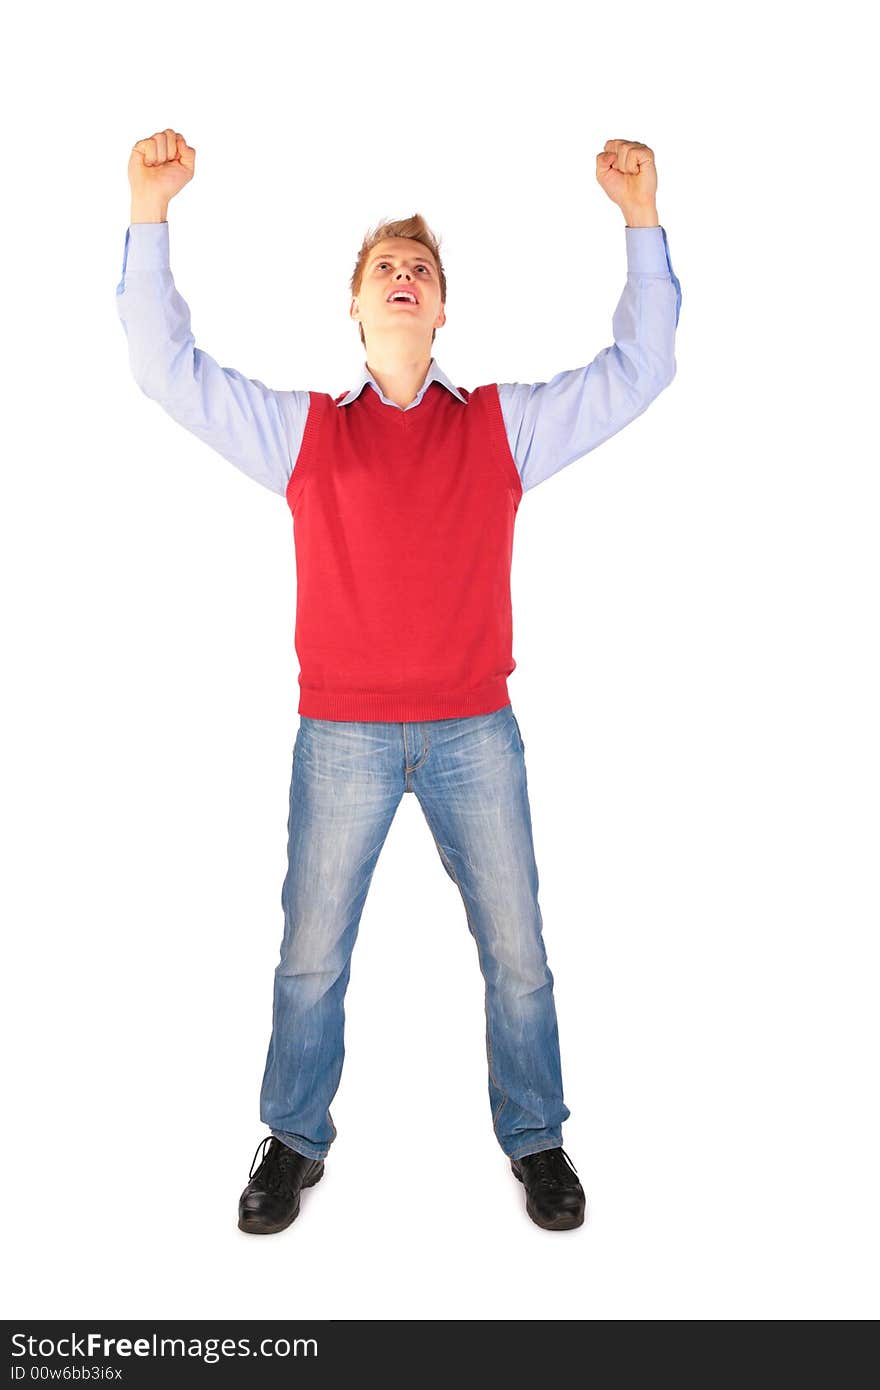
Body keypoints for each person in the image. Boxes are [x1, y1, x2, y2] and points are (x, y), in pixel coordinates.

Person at [116, 129, 682, 1235]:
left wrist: (640, 218)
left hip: (477, 730)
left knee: (517, 951)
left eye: (421, 267)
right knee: (311, 953)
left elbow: (641, 370)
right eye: (387, 264)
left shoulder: (500, 428)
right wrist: (149, 211)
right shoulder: (304, 434)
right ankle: (290, 1138)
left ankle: (537, 1137)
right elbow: (162, 371)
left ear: (440, 310)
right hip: (343, 736)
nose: (405, 275)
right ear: (356, 304)